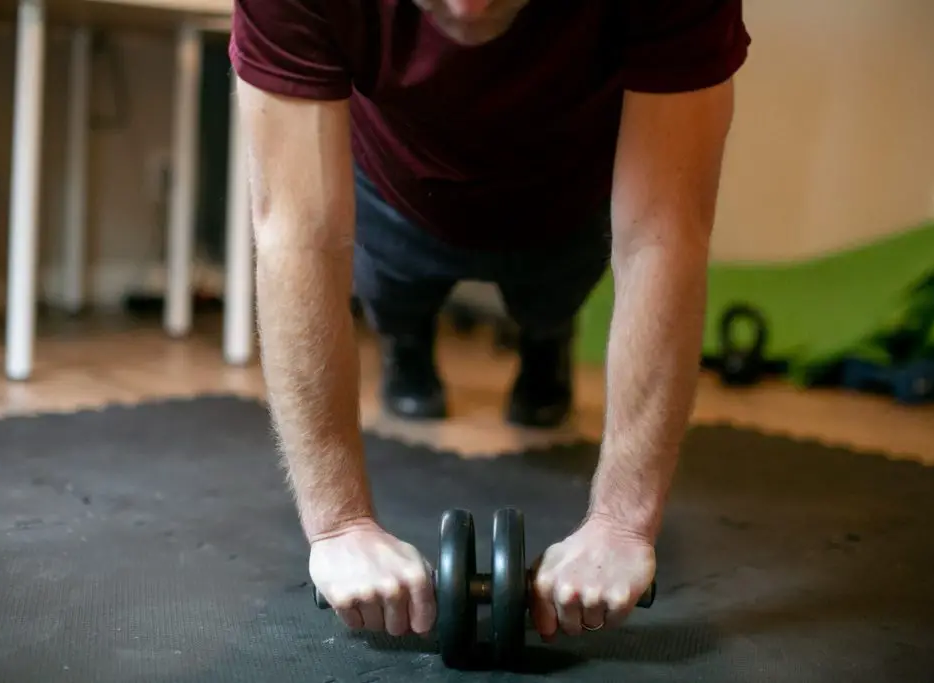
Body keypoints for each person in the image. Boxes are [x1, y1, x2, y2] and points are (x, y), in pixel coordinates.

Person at [230, 0, 750, 641]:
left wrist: (623, 523)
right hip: (394, 183)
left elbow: (662, 238)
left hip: (569, 195)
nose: (468, 8)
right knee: (392, 292)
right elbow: (299, 238)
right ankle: (408, 340)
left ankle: (544, 339)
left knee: (549, 301)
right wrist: (337, 525)